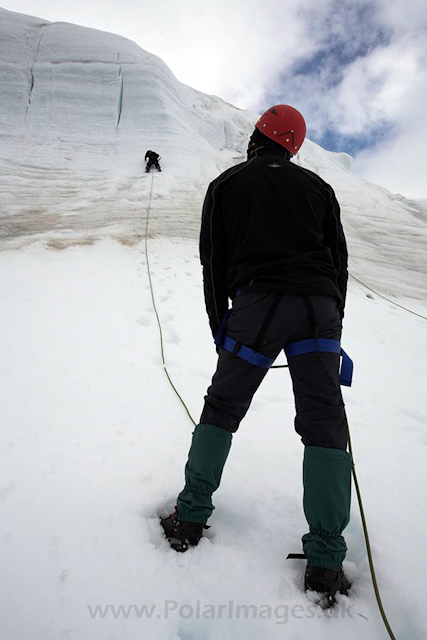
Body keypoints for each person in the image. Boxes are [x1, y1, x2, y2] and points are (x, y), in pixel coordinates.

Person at [161, 105, 352, 602]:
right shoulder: (319, 189)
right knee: (324, 419)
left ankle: (190, 517)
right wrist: (331, 325)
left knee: (222, 407)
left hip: (256, 303)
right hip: (318, 307)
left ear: (257, 136)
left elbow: (214, 264)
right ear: (292, 146)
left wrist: (218, 326)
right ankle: (327, 562)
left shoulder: (227, 184)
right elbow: (338, 263)